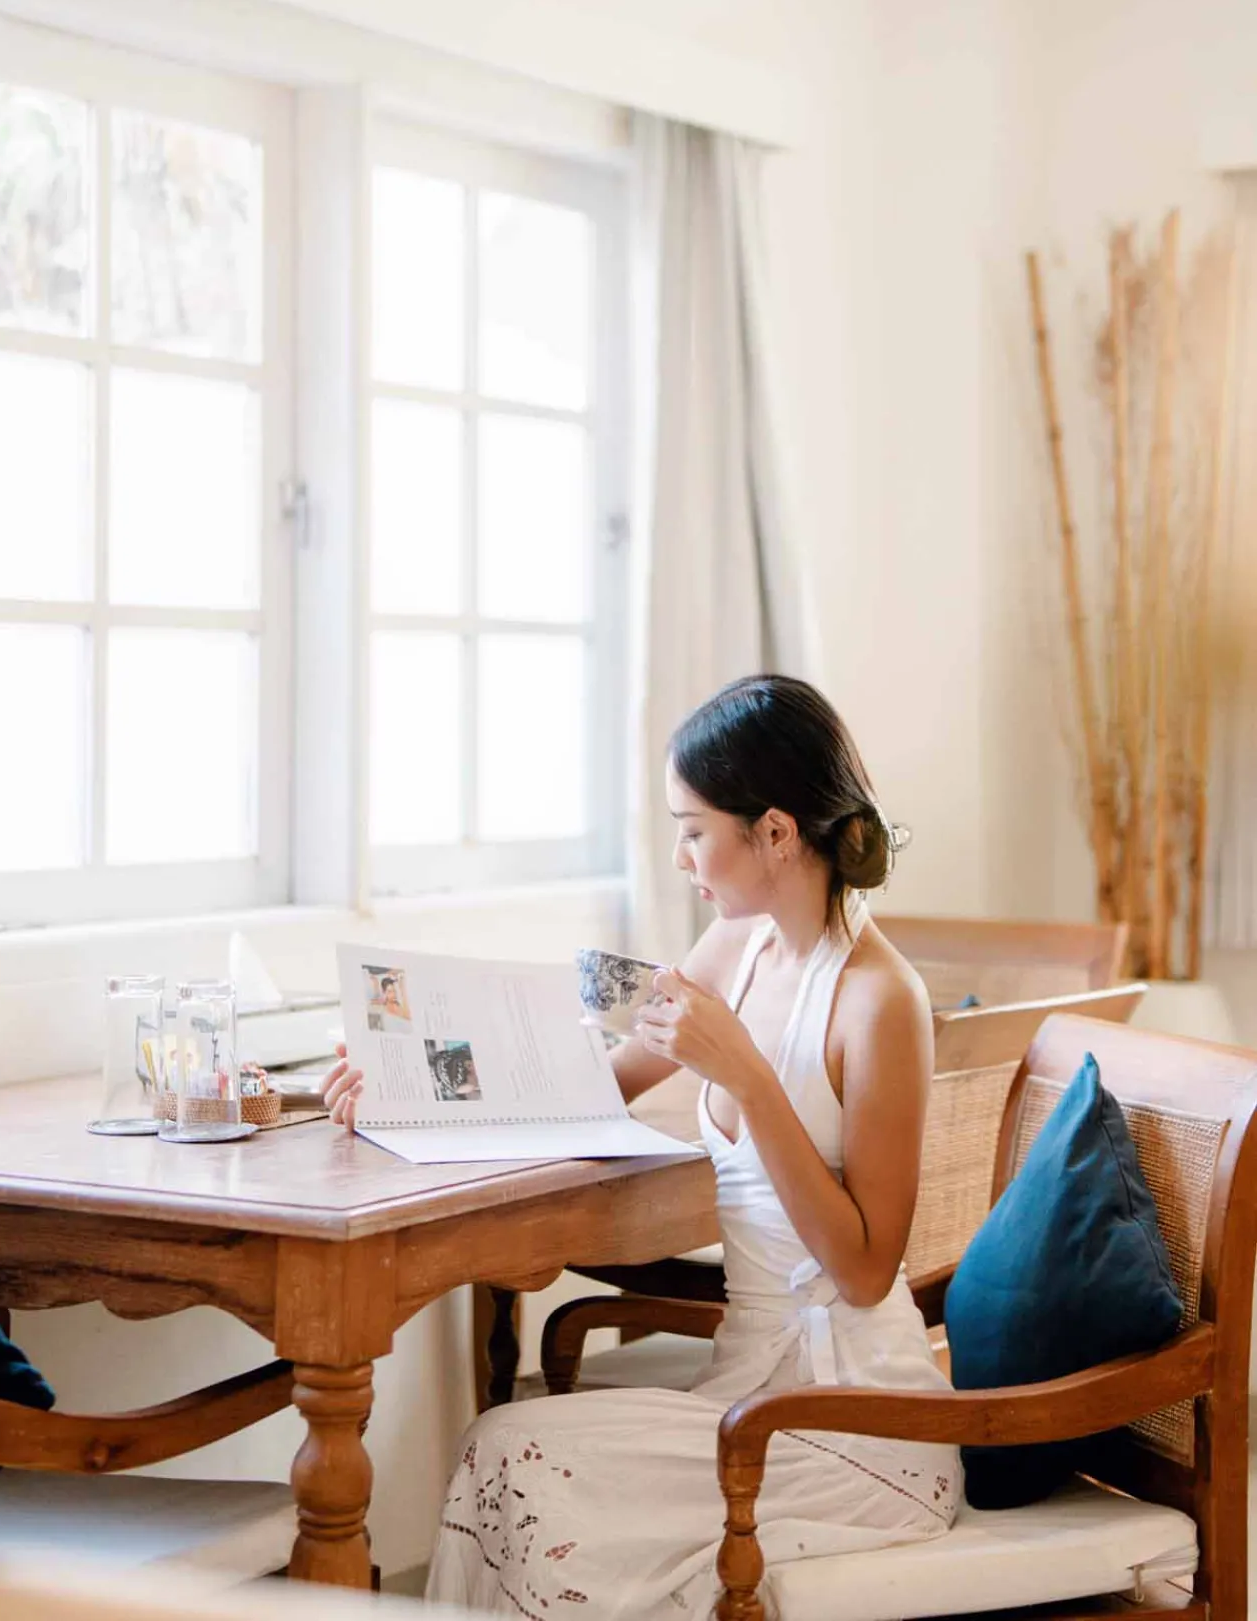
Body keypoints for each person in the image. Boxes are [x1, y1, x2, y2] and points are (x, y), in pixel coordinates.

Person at [322, 675, 960, 1618]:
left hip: (855, 1424)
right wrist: (396, 1087)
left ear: (776, 832)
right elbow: (587, 1084)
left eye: (695, 829)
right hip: (744, 1390)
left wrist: (748, 1078)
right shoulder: (730, 950)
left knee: (523, 1465)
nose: (680, 855)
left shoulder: (881, 1000)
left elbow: (867, 1272)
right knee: (500, 1444)